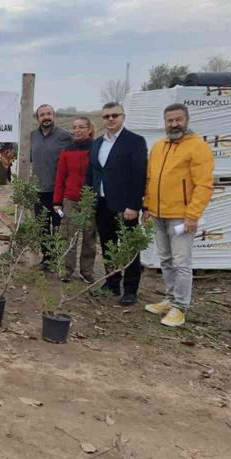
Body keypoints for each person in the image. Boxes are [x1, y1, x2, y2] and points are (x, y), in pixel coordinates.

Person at [142, 103, 214, 327]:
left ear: (186, 120)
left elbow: (204, 185)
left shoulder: (198, 147)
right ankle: (171, 299)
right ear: (164, 122)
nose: (174, 124)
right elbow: (150, 179)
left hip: (181, 217)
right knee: (165, 259)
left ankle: (180, 307)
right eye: (169, 120)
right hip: (158, 214)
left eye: (178, 120)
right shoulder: (158, 147)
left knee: (182, 262)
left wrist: (192, 215)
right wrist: (147, 206)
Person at [86, 102, 148, 306]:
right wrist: (89, 198)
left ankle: (130, 289)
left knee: (129, 247)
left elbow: (138, 176)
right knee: (107, 244)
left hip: (125, 206)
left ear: (123, 117)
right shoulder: (97, 144)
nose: (110, 119)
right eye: (106, 116)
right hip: (102, 203)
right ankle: (112, 282)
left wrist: (133, 206)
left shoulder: (135, 142)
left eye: (115, 115)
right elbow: (93, 173)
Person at [53, 117, 96, 283]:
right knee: (68, 236)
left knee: (89, 238)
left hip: (89, 200)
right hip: (70, 199)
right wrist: (57, 201)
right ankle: (67, 270)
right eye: (75, 127)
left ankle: (87, 272)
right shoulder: (67, 151)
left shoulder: (96, 148)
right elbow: (60, 177)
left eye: (82, 127)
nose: (77, 130)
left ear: (89, 129)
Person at [30, 104, 72, 267]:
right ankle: (47, 259)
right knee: (42, 226)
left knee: (59, 225)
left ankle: (60, 260)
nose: (46, 117)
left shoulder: (65, 137)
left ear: (54, 116)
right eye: (42, 115)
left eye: (49, 114)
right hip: (38, 192)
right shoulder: (32, 136)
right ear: (37, 118)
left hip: (58, 193)